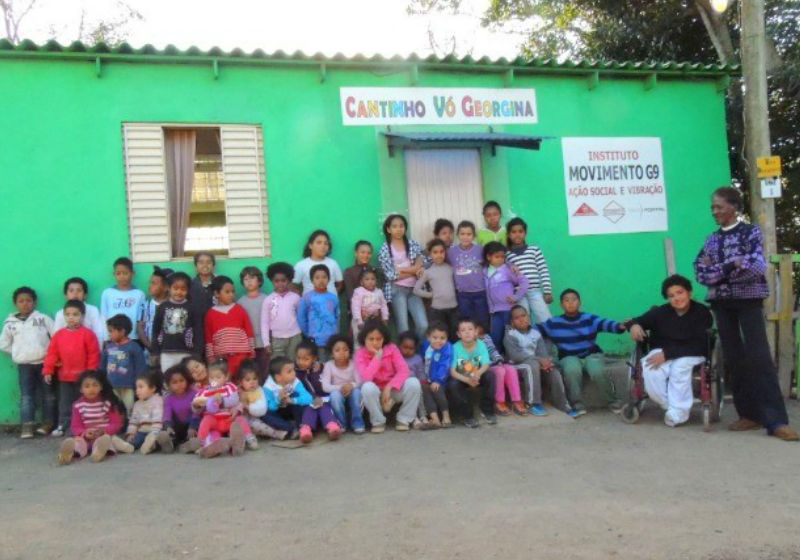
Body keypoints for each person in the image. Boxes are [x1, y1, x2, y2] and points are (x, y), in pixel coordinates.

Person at [694, 186, 798, 441]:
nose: (714, 211)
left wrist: (719, 272)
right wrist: (732, 264)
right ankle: (749, 415)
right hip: (721, 304)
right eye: (712, 207)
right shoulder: (711, 240)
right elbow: (700, 272)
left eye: (718, 206)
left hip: (749, 301)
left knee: (759, 357)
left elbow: (756, 266)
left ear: (734, 207)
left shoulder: (751, 232)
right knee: (734, 358)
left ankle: (776, 421)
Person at [627, 275, 713, 427]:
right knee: (650, 369)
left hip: (692, 352)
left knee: (679, 368)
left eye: (680, 293)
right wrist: (633, 326)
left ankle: (676, 414)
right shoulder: (661, 312)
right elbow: (634, 321)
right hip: (662, 350)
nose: (676, 298)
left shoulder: (701, 312)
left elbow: (699, 343)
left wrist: (668, 354)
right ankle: (671, 408)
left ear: (689, 293)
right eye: (671, 296)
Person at [537, 289, 626, 414]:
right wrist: (517, 326)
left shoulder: (589, 318)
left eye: (574, 300)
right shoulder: (554, 323)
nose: (570, 303)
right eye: (566, 300)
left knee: (597, 371)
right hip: (568, 356)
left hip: (591, 354)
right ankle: (577, 403)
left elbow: (605, 323)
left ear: (580, 303)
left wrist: (620, 326)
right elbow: (535, 330)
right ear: (561, 305)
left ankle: (613, 401)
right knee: (572, 370)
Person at [0, 286, 56, 438]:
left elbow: (56, 337)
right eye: (21, 301)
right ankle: (27, 425)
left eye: (29, 300)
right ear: (16, 303)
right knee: (27, 396)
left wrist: (51, 355)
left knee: (48, 394)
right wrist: (19, 352)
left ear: (34, 302)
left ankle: (48, 423)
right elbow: (3, 344)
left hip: (45, 364)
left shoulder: (42, 319)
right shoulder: (10, 323)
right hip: (24, 365)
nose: (25, 304)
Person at [43, 300, 101, 437]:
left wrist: (91, 372)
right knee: (65, 404)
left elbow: (94, 354)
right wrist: (48, 370)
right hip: (65, 377)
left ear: (82, 316)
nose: (71, 317)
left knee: (84, 403)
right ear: (64, 316)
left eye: (75, 314)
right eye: (68, 314)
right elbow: (52, 354)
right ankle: (63, 425)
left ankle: (83, 427)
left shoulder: (88, 334)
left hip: (84, 379)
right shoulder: (59, 335)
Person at [504, 306, 573, 417]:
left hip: (535, 363)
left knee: (552, 371)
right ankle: (533, 403)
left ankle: (562, 404)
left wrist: (546, 362)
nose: (521, 319)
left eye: (524, 315)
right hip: (516, 365)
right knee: (531, 365)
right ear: (512, 322)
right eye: (517, 318)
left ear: (529, 317)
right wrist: (538, 360)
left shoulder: (535, 334)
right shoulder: (510, 335)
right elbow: (515, 356)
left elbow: (542, 353)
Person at [355, 319, 422, 433]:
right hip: (374, 393)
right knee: (367, 387)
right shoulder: (360, 353)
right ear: (364, 339)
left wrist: (389, 387)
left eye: (378, 339)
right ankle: (378, 421)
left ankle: (404, 419)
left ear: (384, 339)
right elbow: (365, 378)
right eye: (371, 339)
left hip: (392, 390)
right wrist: (377, 357)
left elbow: (404, 371)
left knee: (414, 383)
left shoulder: (391, 348)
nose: (375, 342)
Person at [56, 370, 134, 465]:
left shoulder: (106, 403)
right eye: (87, 386)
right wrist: (84, 433)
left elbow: (116, 423)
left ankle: (98, 453)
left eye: (95, 385)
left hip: (103, 435)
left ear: (101, 387)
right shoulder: (78, 405)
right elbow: (75, 425)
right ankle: (68, 453)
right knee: (79, 442)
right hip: (86, 437)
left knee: (106, 440)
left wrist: (104, 431)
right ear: (81, 389)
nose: (91, 389)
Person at [192, 360, 257, 458]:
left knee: (240, 421)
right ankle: (203, 443)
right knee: (206, 421)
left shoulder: (229, 387)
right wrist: (196, 406)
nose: (215, 380)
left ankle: (248, 439)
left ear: (226, 377)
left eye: (218, 377)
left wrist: (222, 401)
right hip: (215, 421)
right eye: (211, 377)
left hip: (229, 418)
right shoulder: (205, 391)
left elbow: (235, 400)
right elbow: (196, 404)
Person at [378, 214, 428, 337]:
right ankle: (405, 355)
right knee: (403, 327)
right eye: (394, 226)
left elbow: (423, 259)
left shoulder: (412, 244)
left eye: (401, 226)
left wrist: (402, 270)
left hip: (414, 290)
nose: (399, 229)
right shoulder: (385, 249)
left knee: (423, 325)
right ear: (388, 229)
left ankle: (418, 352)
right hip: (397, 290)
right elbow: (390, 275)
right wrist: (414, 269)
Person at [448, 318, 497, 428]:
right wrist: (467, 380)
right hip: (462, 377)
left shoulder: (481, 344)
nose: (467, 332)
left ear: (476, 332)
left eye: (470, 329)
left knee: (490, 376)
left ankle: (487, 410)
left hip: (477, 375)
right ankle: (467, 416)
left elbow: (486, 364)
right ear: (458, 334)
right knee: (453, 384)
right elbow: (452, 371)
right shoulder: (455, 347)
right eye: (463, 330)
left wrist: (477, 374)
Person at [204, 276, 255, 379]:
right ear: (217, 294)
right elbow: (208, 337)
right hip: (222, 359)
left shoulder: (239, 309)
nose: (231, 295)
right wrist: (211, 358)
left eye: (233, 291)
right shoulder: (210, 314)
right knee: (226, 383)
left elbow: (249, 330)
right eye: (227, 292)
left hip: (242, 356)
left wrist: (252, 351)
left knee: (243, 381)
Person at [505, 217, 553, 323]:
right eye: (513, 232)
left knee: (546, 319)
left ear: (525, 233)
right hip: (518, 294)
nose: (517, 234)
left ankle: (550, 339)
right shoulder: (507, 255)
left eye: (520, 231)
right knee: (523, 322)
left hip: (534, 291)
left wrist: (547, 291)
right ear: (509, 234)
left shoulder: (534, 249)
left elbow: (543, 270)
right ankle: (527, 340)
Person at [293, 340, 342, 443]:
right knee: (309, 410)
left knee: (325, 409)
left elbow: (323, 386)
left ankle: (332, 427)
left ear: (314, 358)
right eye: (299, 358)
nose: (301, 362)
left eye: (306, 359)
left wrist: (317, 371)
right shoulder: (295, 373)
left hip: (323, 398)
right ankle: (306, 430)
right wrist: (312, 398)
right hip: (307, 400)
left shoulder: (321, 368)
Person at [151, 271, 200, 372]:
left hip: (186, 352)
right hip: (166, 352)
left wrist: (197, 352)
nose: (179, 292)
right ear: (169, 288)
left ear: (188, 290)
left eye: (183, 289)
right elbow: (155, 330)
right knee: (168, 379)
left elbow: (198, 330)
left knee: (186, 378)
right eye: (175, 288)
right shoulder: (162, 307)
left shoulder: (192, 308)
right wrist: (155, 351)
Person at [484, 241, 528, 353]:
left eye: (502, 256)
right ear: (488, 257)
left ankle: (512, 359)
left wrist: (516, 296)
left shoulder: (507, 270)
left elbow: (524, 281)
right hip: (493, 311)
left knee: (510, 336)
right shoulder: (484, 271)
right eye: (496, 256)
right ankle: (499, 361)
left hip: (508, 310)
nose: (500, 259)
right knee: (495, 336)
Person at [475, 323, 527, 416]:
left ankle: (516, 400)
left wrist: (498, 360)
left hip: (494, 363)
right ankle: (499, 401)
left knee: (510, 369)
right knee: (500, 371)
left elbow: (492, 350)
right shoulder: (468, 343)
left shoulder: (486, 337)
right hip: (483, 367)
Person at [102, 314, 147, 415]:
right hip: (111, 386)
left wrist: (139, 385)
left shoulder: (134, 347)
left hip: (128, 386)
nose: (109, 334)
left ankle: (129, 427)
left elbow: (141, 368)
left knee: (129, 409)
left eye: (111, 331)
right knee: (113, 409)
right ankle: (116, 427)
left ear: (122, 331)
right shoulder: (108, 347)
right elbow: (102, 366)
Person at [414, 239, 458, 340]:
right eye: (435, 252)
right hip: (437, 311)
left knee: (454, 335)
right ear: (430, 254)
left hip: (454, 309)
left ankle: (454, 355)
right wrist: (430, 295)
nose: (439, 255)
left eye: (441, 252)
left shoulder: (450, 268)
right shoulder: (428, 272)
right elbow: (416, 290)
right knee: (440, 336)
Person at [448, 220, 489, 328]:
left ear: (474, 236)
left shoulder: (480, 250)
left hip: (480, 292)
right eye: (462, 234)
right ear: (457, 235)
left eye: (469, 234)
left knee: (482, 322)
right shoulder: (451, 252)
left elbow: (494, 259)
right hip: (463, 294)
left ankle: (484, 343)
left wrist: (510, 265)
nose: (465, 237)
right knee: (466, 322)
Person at [321, 335, 365, 433]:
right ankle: (341, 423)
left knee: (357, 393)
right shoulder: (329, 365)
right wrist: (341, 387)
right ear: (332, 353)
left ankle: (357, 423)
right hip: (338, 391)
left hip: (352, 390)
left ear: (350, 351)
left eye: (345, 350)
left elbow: (360, 381)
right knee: (335, 396)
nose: (341, 353)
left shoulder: (354, 363)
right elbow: (325, 387)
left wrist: (351, 386)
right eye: (337, 350)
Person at [262, 356, 313, 439]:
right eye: (289, 371)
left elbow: (309, 398)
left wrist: (292, 400)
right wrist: (278, 399)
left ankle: (302, 425)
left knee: (296, 394)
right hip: (278, 412)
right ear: (278, 377)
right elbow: (270, 407)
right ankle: (290, 428)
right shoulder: (268, 387)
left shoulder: (295, 381)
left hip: (292, 409)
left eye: (293, 370)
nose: (294, 373)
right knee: (264, 413)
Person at [297, 264, 340, 361]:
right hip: (315, 339)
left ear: (328, 279)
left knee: (331, 363)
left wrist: (336, 333)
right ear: (312, 280)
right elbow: (301, 318)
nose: (321, 280)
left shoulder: (333, 297)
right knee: (319, 365)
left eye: (324, 277)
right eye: (317, 277)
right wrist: (308, 333)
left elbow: (337, 316)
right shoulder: (307, 297)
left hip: (332, 339)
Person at [262, 262, 303, 360]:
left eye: (283, 280)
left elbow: (301, 317)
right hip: (277, 338)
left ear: (289, 280)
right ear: (272, 281)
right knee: (278, 365)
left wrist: (303, 334)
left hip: (295, 337)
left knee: (294, 363)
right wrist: (266, 342)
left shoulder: (295, 297)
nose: (280, 283)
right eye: (276, 281)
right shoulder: (268, 300)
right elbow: (264, 322)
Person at [237, 360, 287, 441]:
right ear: (240, 382)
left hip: (255, 418)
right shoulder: (237, 392)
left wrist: (248, 407)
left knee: (259, 425)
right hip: (241, 420)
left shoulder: (259, 391)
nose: (252, 382)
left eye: (255, 379)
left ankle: (277, 433)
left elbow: (261, 409)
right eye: (248, 380)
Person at [100, 257, 146, 341]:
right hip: (112, 338)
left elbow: (141, 319)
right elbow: (104, 316)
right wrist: (106, 338)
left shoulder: (139, 294)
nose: (122, 276)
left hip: (132, 338)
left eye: (125, 273)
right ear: (114, 274)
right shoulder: (107, 293)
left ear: (132, 274)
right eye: (118, 273)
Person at [53, 277, 106, 349]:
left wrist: (98, 352)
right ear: (65, 295)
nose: (75, 293)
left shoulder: (93, 310)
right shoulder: (60, 313)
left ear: (85, 295)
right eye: (71, 291)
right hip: (68, 351)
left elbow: (98, 332)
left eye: (79, 290)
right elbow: (56, 336)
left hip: (89, 350)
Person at [124, 370, 167, 454]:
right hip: (142, 431)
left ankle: (150, 445)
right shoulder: (137, 404)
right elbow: (133, 420)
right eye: (136, 387)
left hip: (155, 431)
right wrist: (131, 433)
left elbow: (158, 419)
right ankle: (127, 446)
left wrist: (154, 433)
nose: (137, 390)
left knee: (156, 440)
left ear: (153, 388)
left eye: (141, 387)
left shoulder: (157, 400)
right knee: (135, 441)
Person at [161, 365, 200, 453]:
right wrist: (168, 427)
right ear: (168, 385)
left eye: (181, 380)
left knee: (198, 427)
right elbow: (167, 415)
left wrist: (192, 427)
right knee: (170, 430)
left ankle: (188, 445)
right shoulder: (168, 398)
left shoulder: (194, 393)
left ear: (187, 380)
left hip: (193, 423)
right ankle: (169, 444)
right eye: (175, 382)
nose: (179, 384)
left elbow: (197, 413)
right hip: (178, 426)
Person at [420, 323, 453, 428]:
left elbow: (445, 366)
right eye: (435, 337)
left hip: (442, 379)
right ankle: (435, 419)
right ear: (428, 337)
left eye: (442, 338)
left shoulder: (447, 348)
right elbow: (421, 360)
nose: (438, 341)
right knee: (425, 391)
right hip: (427, 378)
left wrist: (438, 380)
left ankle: (446, 416)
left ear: (447, 338)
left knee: (437, 389)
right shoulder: (425, 346)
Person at [238, 266, 268, 375]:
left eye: (252, 278)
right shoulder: (240, 302)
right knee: (252, 370)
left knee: (265, 368)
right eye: (246, 279)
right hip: (249, 344)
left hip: (264, 343)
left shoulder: (266, 299)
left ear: (259, 281)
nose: (249, 281)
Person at [293, 229, 343, 295]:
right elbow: (293, 286)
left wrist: (332, 296)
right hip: (310, 304)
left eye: (326, 243)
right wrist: (304, 299)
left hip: (330, 304)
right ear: (310, 245)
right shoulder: (301, 265)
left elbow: (340, 284)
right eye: (319, 242)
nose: (323, 246)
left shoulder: (333, 263)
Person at [138, 266, 173, 358]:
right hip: (150, 351)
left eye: (154, 283)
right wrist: (149, 346)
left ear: (166, 288)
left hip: (169, 351)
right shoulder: (145, 305)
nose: (150, 286)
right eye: (150, 282)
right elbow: (140, 328)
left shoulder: (173, 306)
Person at [350, 267, 389, 348]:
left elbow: (383, 305)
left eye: (373, 279)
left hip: (374, 320)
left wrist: (385, 318)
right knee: (358, 340)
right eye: (367, 279)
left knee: (372, 339)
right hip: (360, 321)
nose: (370, 282)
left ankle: (371, 358)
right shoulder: (359, 291)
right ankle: (358, 358)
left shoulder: (379, 292)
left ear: (376, 281)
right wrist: (359, 321)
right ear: (361, 282)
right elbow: (355, 307)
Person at [397, 331, 428, 428]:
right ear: (399, 346)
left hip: (415, 384)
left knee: (419, 394)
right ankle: (414, 418)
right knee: (411, 396)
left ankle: (423, 416)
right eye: (405, 347)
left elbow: (421, 372)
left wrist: (423, 382)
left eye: (411, 348)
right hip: (401, 386)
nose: (408, 351)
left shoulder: (417, 358)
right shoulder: (397, 357)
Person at [189, 251, 216, 355]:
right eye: (201, 262)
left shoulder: (219, 283)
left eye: (208, 262)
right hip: (197, 329)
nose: (205, 265)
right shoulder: (190, 284)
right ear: (196, 266)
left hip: (215, 327)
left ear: (213, 265)